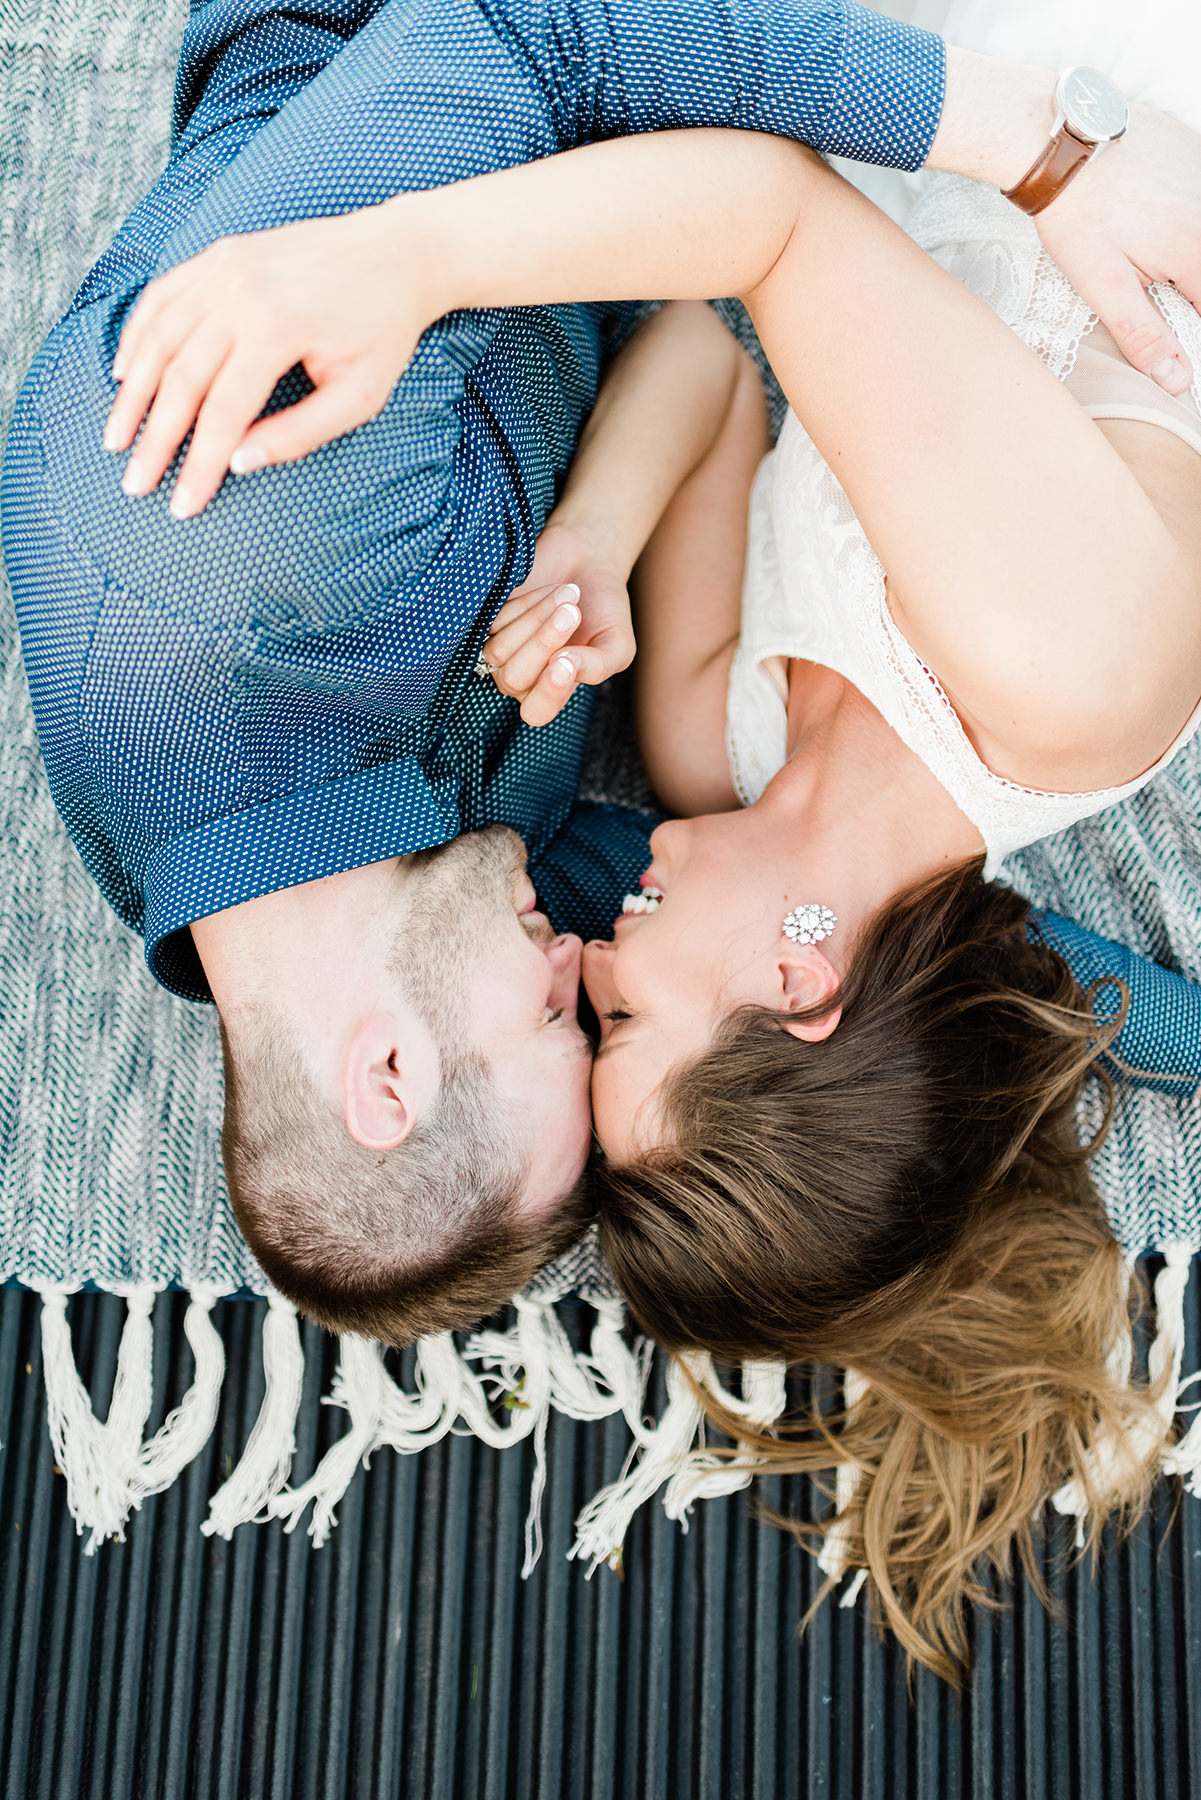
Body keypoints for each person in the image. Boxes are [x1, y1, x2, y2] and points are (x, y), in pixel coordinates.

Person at [81, 11, 1201, 1670]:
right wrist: (401, 269)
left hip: (884, 89)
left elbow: (710, 324)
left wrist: (597, 536)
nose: (586, 949)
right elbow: (763, 217)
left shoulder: (703, 739)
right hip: (1097, 89)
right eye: (623, 1015)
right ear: (799, 984)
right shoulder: (1061, 676)